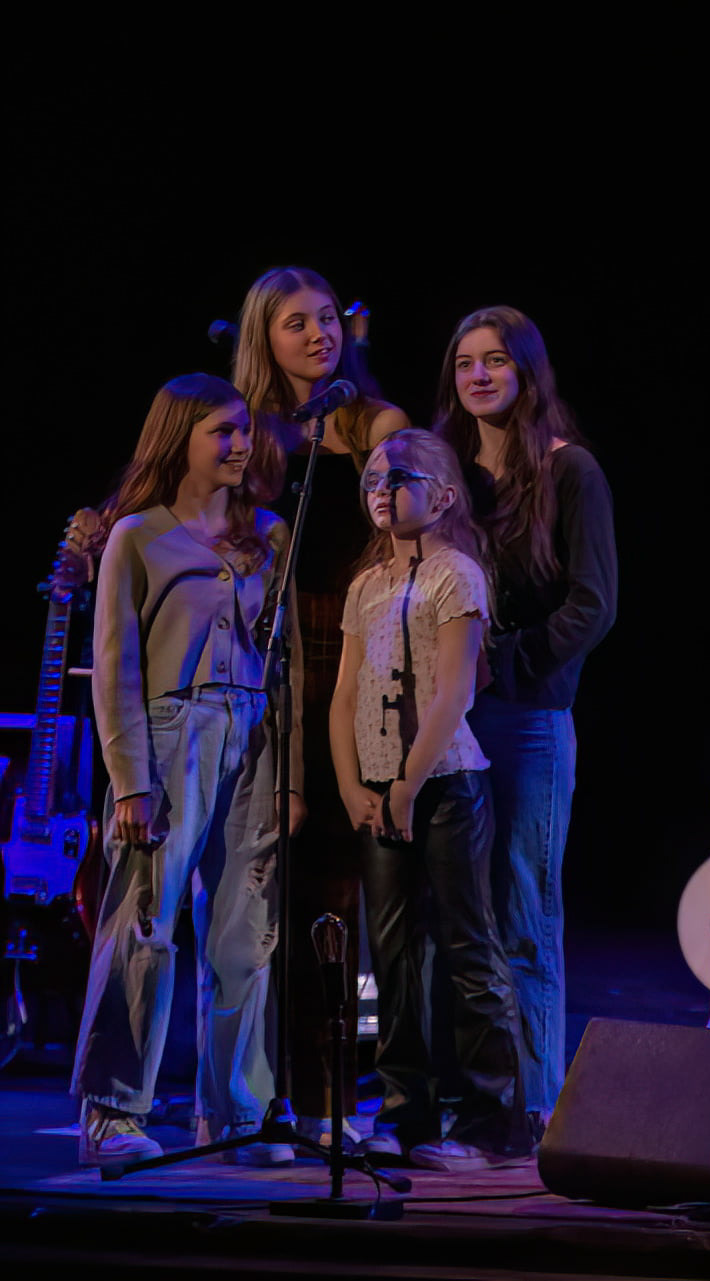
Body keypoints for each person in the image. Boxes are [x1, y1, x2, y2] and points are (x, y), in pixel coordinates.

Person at [72, 373, 303, 1166]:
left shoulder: (269, 535)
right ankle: (112, 1112)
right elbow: (114, 666)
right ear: (180, 438)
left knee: (247, 936)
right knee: (144, 921)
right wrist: (131, 778)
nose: (240, 444)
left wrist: (292, 775)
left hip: (254, 735)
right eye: (221, 431)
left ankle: (237, 1111)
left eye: (244, 429)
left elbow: (291, 667)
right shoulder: (138, 534)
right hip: (172, 735)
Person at [232, 265, 409, 1146]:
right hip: (274, 680)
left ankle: (346, 1097)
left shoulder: (374, 425)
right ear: (263, 338)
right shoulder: (249, 439)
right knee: (274, 902)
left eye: (328, 318)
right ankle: (272, 1096)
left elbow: (415, 513)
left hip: (362, 671)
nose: (317, 334)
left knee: (351, 900)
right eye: (295, 322)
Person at [432, 307, 616, 1131]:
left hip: (528, 716)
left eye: (495, 360)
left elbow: (594, 603)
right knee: (457, 917)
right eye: (465, 361)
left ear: (526, 372)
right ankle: (466, 1099)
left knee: (526, 909)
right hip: (448, 715)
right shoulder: (448, 473)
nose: (477, 375)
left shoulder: (570, 470)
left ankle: (536, 1104)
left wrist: (507, 659)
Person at [331, 428, 530, 1170]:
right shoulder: (365, 585)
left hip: (444, 784)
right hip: (380, 789)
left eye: (399, 476)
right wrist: (354, 784)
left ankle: (488, 1122)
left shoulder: (457, 574)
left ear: (442, 495)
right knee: (390, 957)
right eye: (371, 481)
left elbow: (453, 689)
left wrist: (410, 781)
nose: (381, 490)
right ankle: (402, 1113)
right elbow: (345, 693)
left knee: (465, 946)